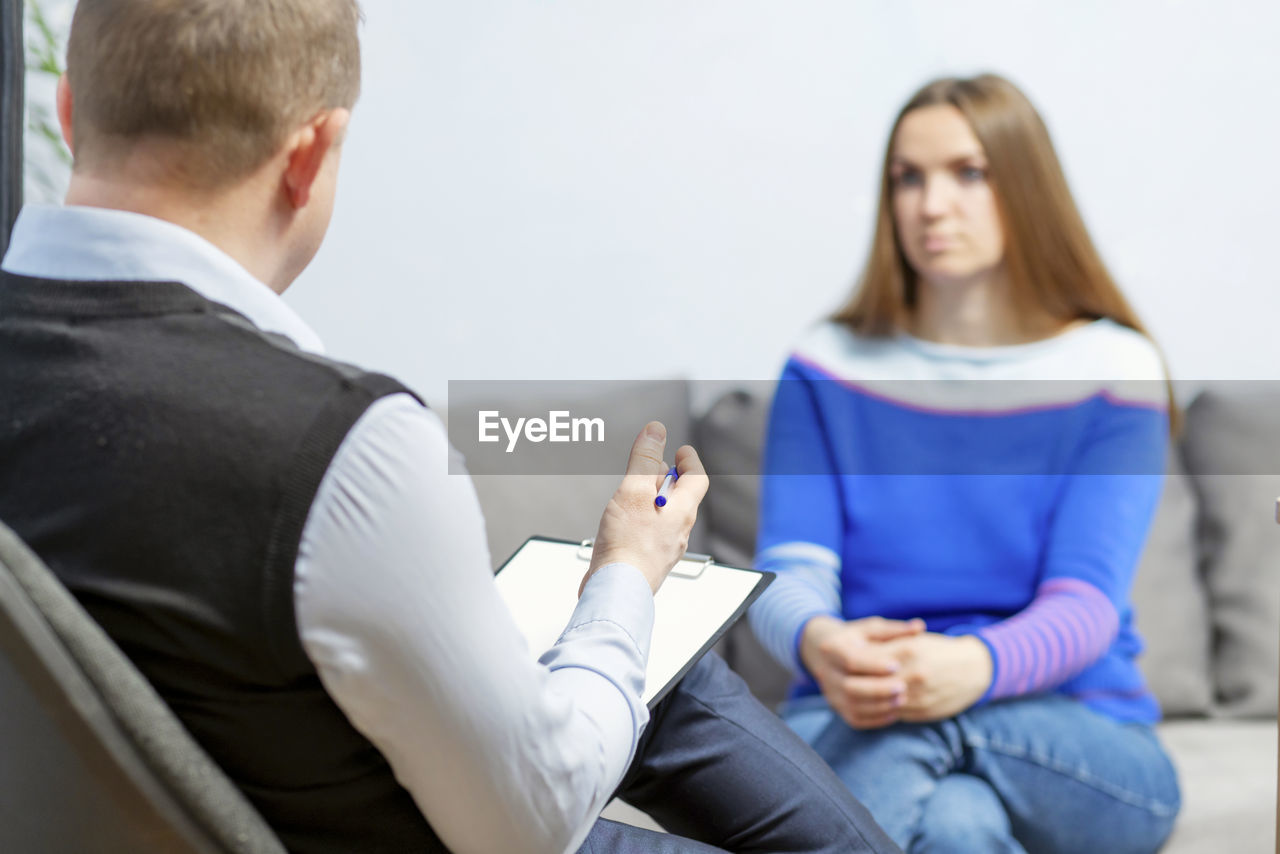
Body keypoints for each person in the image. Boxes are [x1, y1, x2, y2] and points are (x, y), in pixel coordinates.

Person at [0, 2, 902, 853]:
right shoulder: (339, 447)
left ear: (73, 112)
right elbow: (531, 819)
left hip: (215, 790)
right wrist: (627, 573)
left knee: (653, 666)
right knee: (649, 645)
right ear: (310, 155)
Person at [748, 73, 1182, 854]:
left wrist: (973, 666)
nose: (930, 205)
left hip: (1073, 729)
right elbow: (789, 568)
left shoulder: (1116, 369)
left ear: (1025, 186)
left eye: (967, 173)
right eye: (906, 179)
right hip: (855, 708)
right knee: (956, 826)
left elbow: (1086, 608)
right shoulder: (825, 366)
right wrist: (820, 641)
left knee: (907, 746)